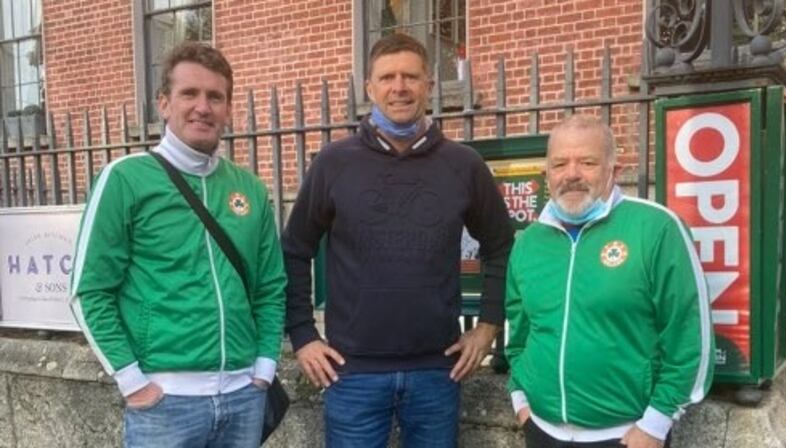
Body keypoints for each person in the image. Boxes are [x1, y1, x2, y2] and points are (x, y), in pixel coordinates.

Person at [282, 33, 515, 447]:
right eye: (387, 77)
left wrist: (489, 326)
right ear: (370, 88)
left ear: (429, 84)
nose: (399, 87)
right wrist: (302, 334)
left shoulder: (464, 165)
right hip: (351, 372)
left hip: (437, 371)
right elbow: (295, 248)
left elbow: (500, 245)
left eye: (411, 76)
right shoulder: (334, 162)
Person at [69, 41, 286, 448]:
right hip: (165, 403)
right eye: (190, 93)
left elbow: (271, 287)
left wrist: (265, 366)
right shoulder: (125, 179)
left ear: (228, 108)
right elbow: (89, 290)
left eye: (215, 97)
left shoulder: (250, 189)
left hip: (243, 396)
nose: (203, 107)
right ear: (164, 104)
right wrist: (132, 381)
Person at [505, 115, 715, 448]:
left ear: (612, 171)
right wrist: (520, 400)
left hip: (626, 436)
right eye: (560, 163)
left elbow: (689, 336)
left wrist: (656, 424)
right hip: (542, 431)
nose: (571, 174)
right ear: (548, 174)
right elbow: (518, 332)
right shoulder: (529, 242)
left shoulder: (656, 228)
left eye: (587, 162)